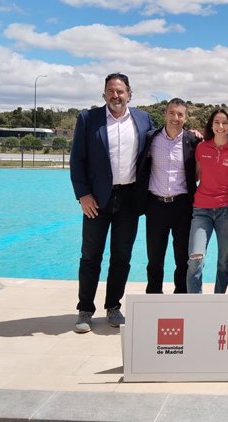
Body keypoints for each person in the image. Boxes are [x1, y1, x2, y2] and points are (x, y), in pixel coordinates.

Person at [70, 72, 154, 333]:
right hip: (96, 200)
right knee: (90, 256)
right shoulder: (88, 119)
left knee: (122, 256)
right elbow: (77, 160)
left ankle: (113, 306)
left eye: (120, 91)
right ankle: (85, 309)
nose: (116, 96)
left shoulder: (142, 119)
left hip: (129, 198)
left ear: (129, 93)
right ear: (104, 94)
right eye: (111, 91)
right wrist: (83, 195)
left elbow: (161, 140)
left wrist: (194, 133)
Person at [135, 98, 199, 295]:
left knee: (182, 258)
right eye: (172, 113)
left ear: (186, 118)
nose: (175, 118)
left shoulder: (193, 141)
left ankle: (180, 296)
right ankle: (154, 296)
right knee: (155, 258)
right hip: (156, 206)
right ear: (165, 114)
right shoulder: (150, 138)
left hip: (182, 206)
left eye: (180, 114)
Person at [186, 107, 228, 294]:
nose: (220, 126)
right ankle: (195, 302)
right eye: (217, 122)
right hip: (201, 210)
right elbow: (195, 176)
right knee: (195, 259)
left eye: (225, 123)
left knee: (224, 261)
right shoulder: (202, 147)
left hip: (225, 210)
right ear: (211, 126)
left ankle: (218, 300)